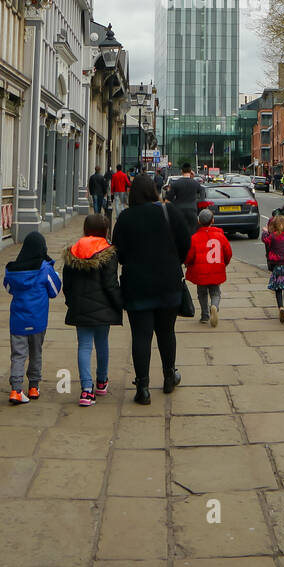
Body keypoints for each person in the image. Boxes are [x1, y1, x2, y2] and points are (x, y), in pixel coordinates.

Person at [112, 172, 190, 403]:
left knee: (141, 336)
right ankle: (168, 377)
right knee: (167, 332)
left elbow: (119, 253)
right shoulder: (168, 211)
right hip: (168, 282)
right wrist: (174, 260)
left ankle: (142, 388)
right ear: (154, 191)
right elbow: (186, 243)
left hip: (137, 285)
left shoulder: (125, 218)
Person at [62, 212, 123, 406]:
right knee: (102, 342)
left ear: (85, 229)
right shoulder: (109, 252)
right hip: (103, 306)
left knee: (84, 346)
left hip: (80, 307)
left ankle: (86, 391)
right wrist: (119, 303)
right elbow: (111, 283)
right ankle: (102, 382)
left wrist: (71, 302)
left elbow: (67, 284)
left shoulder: (73, 251)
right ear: (105, 230)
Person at [3, 231, 62, 404]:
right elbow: (54, 290)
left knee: (18, 354)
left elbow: (8, 288)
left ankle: (15, 389)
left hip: (18, 321)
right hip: (38, 321)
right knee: (36, 352)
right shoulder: (45, 269)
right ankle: (34, 387)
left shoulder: (13, 270)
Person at [184, 208, 231, 325]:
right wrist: (224, 263)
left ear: (199, 221)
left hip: (200, 271)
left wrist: (187, 264)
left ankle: (205, 315)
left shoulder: (194, 238)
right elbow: (228, 253)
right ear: (213, 220)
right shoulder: (220, 236)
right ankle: (214, 306)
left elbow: (189, 256)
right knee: (215, 292)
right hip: (216, 268)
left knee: (202, 293)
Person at [166, 161, 205, 237]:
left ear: (181, 171)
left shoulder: (176, 183)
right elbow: (202, 191)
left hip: (179, 211)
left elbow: (168, 199)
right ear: (190, 171)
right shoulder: (195, 183)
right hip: (192, 210)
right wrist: (198, 201)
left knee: (180, 234)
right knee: (192, 234)